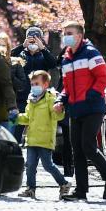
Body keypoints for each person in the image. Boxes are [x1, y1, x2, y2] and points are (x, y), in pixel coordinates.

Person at [53, 21, 106, 201]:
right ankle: (81, 191)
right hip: (75, 110)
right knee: (77, 151)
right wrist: (61, 100)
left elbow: (103, 78)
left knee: (88, 147)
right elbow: (66, 87)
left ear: (80, 36)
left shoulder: (91, 53)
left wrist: (89, 96)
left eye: (70, 32)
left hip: (92, 108)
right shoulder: (66, 59)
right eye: (64, 32)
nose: (66, 35)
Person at [17, 70, 71, 200]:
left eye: (37, 83)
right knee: (30, 165)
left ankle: (64, 183)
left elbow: (56, 116)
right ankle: (30, 188)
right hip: (32, 139)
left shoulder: (50, 99)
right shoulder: (31, 100)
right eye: (32, 84)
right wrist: (16, 118)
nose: (34, 86)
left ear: (45, 84)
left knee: (48, 165)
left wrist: (60, 110)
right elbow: (27, 118)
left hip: (45, 139)